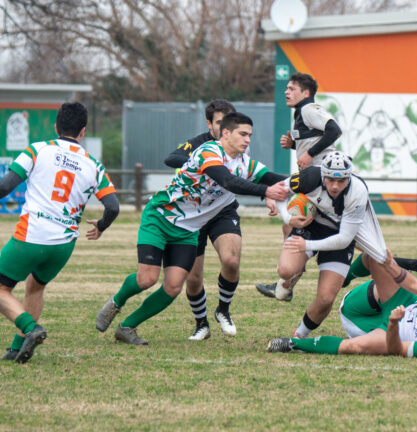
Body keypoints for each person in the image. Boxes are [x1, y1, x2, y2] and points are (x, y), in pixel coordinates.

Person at [94, 112, 287, 345]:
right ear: (226, 133)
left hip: (187, 231)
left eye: (250, 136)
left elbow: (277, 179)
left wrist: (308, 181)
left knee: (173, 286)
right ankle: (116, 302)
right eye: (243, 134)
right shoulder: (210, 151)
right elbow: (227, 181)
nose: (248, 140)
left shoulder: (246, 163)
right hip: (160, 217)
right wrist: (266, 192)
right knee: (147, 279)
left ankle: (127, 327)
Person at [0, 102, 119, 363]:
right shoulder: (93, 165)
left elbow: (5, 186)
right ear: (83, 131)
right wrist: (100, 226)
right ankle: (17, 348)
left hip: (31, 236)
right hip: (63, 245)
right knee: (35, 287)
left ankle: (32, 329)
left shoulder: (38, 150)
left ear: (56, 126)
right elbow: (113, 206)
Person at [263, 151, 415, 340]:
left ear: (349, 177)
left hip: (338, 237)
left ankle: (299, 335)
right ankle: (294, 273)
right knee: (285, 270)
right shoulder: (309, 176)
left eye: (341, 180)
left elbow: (344, 239)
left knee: (326, 298)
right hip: (310, 226)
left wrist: (306, 245)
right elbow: (277, 192)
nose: (335, 186)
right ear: (323, 175)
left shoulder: (358, 192)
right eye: (330, 180)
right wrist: (288, 217)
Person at [267, 253, 417, 358]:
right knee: (373, 256)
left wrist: (394, 323)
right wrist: (392, 265)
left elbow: (397, 350)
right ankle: (342, 279)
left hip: (389, 332)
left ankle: (293, 343)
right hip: (406, 301)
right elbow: (412, 283)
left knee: (352, 347)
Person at [163, 99, 248, 340]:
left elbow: (250, 171)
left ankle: (223, 310)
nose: (226, 128)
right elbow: (171, 158)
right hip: (194, 214)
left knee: (231, 261)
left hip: (223, 210)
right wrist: (201, 165)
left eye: (230, 123)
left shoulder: (239, 143)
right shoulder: (200, 144)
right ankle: (201, 324)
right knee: (194, 277)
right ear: (209, 123)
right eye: (220, 123)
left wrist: (271, 197)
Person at [255, 73, 342, 299]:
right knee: (293, 226)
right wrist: (295, 146)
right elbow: (315, 142)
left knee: (298, 222)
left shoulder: (308, 109)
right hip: (316, 181)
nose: (286, 91)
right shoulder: (300, 113)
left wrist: (309, 153)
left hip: (322, 182)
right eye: (287, 88)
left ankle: (290, 275)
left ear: (305, 93)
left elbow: (334, 131)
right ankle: (288, 281)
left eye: (292, 88)